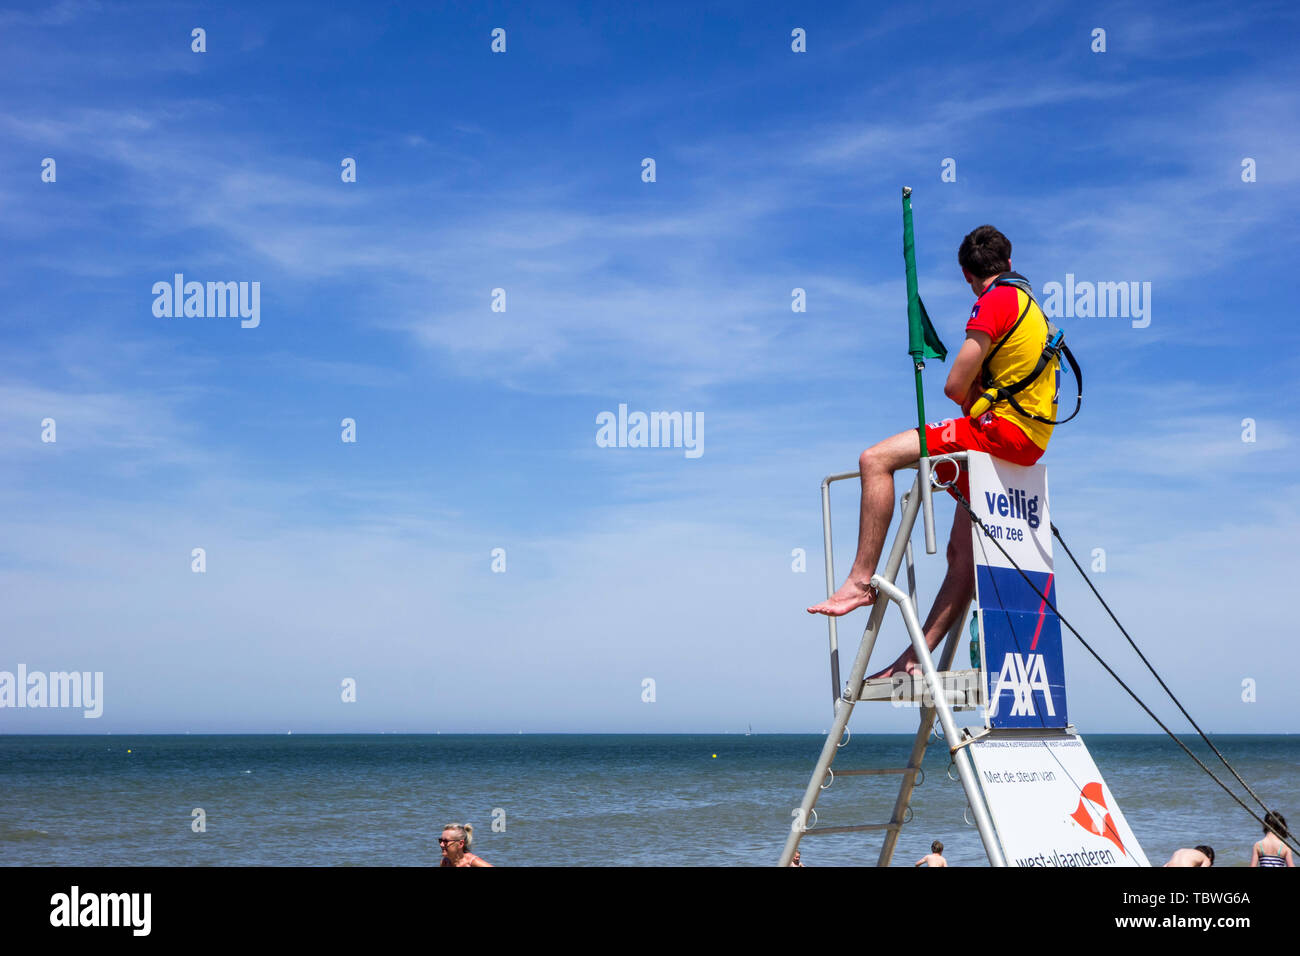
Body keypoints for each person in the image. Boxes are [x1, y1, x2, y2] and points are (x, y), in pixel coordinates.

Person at [808, 226, 1061, 679]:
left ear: (967, 273)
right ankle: (914, 661)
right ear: (1008, 260)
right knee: (962, 556)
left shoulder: (997, 302)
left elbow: (954, 385)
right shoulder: (1034, 308)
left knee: (875, 459)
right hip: (1029, 444)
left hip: (998, 434)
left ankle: (860, 582)